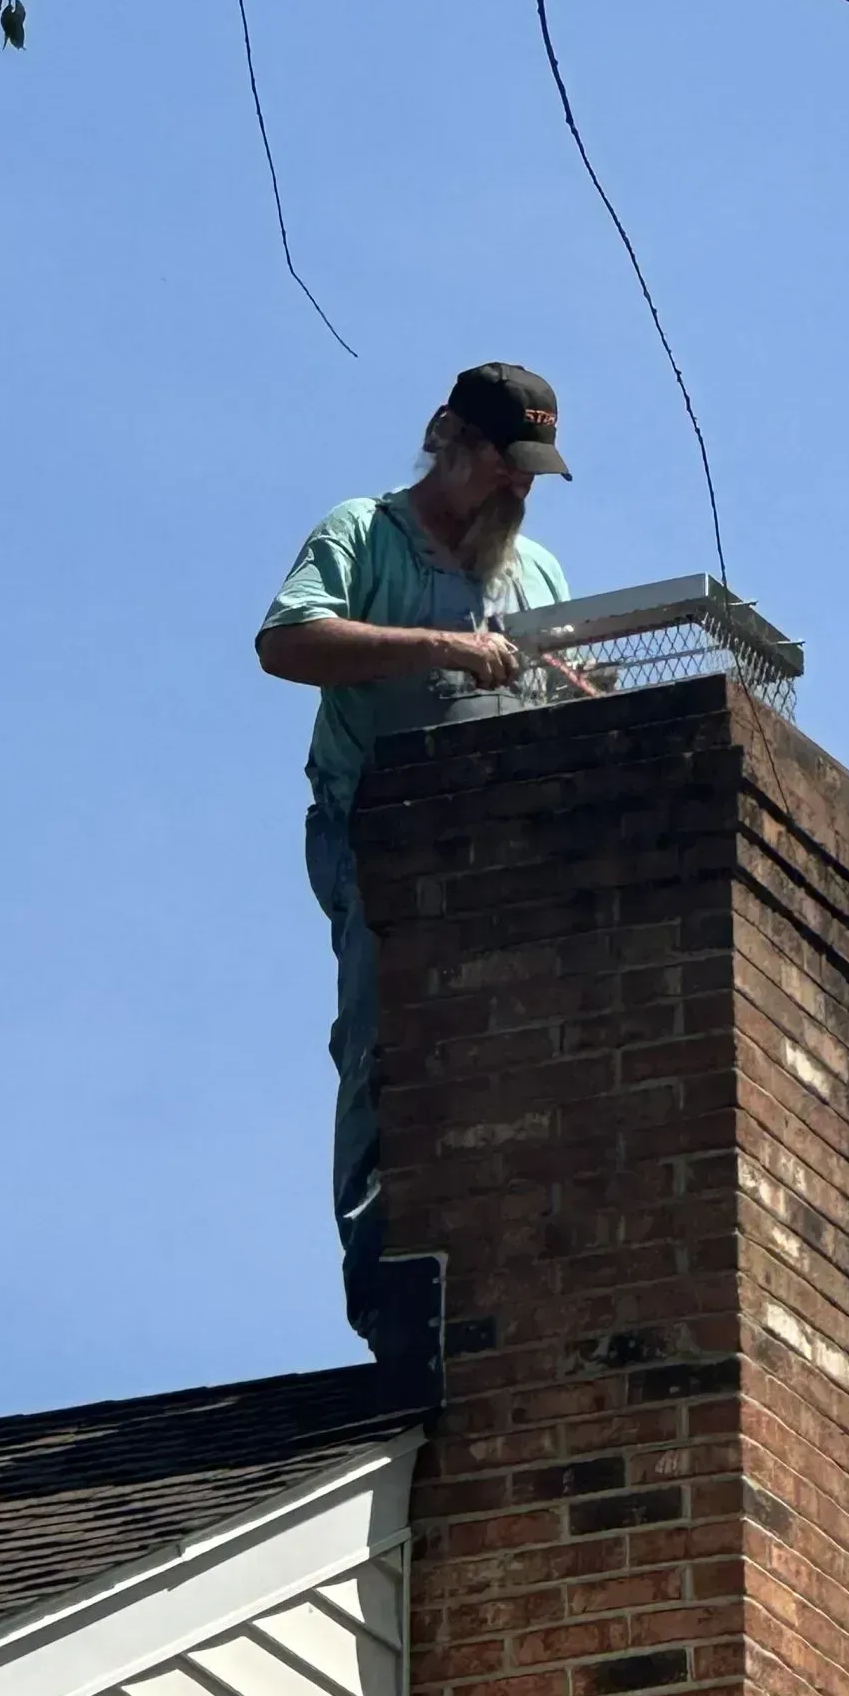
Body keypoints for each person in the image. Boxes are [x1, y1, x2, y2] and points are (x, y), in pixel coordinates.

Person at [257, 363, 573, 1350]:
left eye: (529, 474)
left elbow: (560, 689)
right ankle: (384, 1278)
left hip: (506, 853)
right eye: (501, 465)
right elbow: (288, 640)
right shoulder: (366, 531)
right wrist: (442, 648)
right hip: (383, 838)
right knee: (385, 1044)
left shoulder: (537, 572)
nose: (515, 490)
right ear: (447, 438)